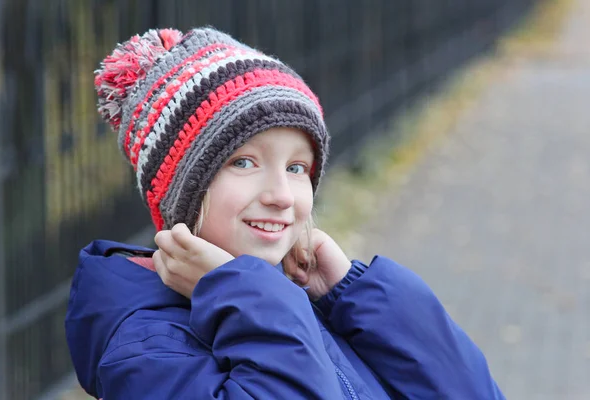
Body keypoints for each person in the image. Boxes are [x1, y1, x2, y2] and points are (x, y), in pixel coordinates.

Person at [65, 27, 505, 399]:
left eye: (296, 168)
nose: (282, 196)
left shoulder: (291, 299)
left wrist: (360, 297)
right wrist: (241, 291)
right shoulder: (145, 349)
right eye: (243, 162)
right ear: (179, 189)